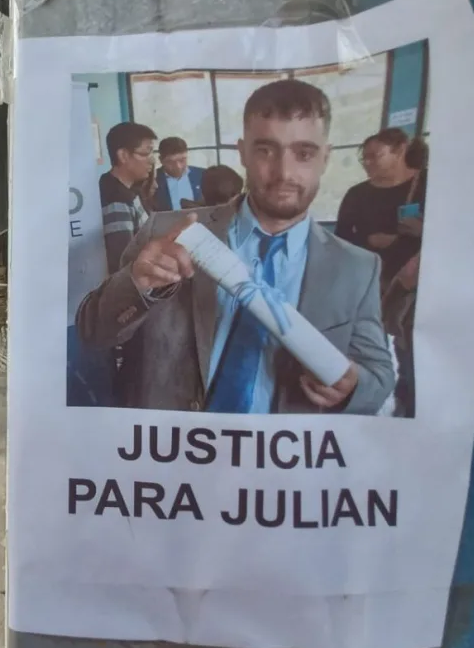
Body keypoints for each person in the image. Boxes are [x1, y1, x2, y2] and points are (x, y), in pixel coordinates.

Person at [75, 78, 395, 415]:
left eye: (304, 153)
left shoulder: (357, 268)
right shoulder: (167, 231)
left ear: (326, 157)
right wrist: (137, 285)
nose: (283, 172)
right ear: (242, 152)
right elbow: (93, 332)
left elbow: (378, 376)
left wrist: (353, 387)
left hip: (278, 460)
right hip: (168, 457)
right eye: (265, 150)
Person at [335, 128, 426, 286]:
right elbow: (341, 238)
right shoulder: (357, 194)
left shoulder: (428, 184)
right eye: (364, 159)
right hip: (370, 279)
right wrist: (368, 240)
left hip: (418, 281)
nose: (368, 163)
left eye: (374, 156)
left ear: (399, 151)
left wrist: (423, 230)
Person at [100, 122, 157, 272]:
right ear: (123, 156)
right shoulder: (116, 201)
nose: (152, 160)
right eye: (145, 154)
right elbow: (123, 263)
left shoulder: (131, 191)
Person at [153, 137, 206, 211]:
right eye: (170, 162)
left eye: (182, 160)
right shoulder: (152, 180)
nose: (178, 166)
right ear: (161, 160)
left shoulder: (203, 175)